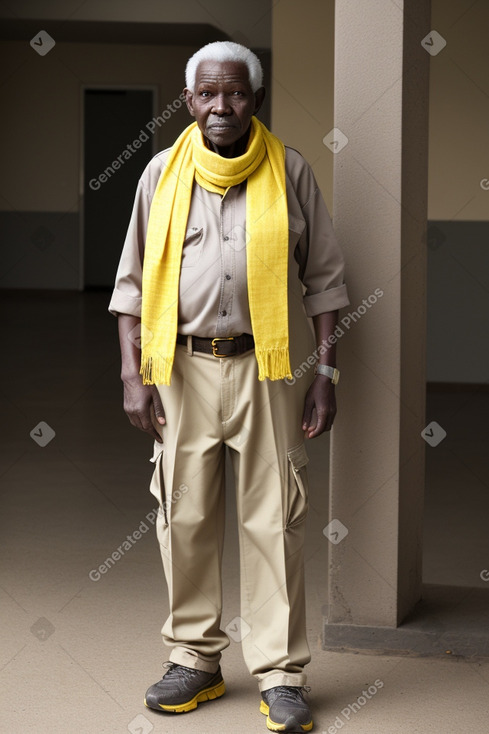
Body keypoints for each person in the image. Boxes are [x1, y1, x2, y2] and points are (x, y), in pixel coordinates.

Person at [109, 41, 349, 734]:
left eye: (235, 94)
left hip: (269, 369)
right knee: (180, 517)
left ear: (255, 100)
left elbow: (326, 282)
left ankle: (279, 673)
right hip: (178, 370)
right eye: (208, 94)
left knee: (275, 520)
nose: (221, 106)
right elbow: (129, 286)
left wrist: (324, 377)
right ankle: (195, 659)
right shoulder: (159, 173)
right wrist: (133, 375)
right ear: (189, 101)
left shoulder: (291, 171)